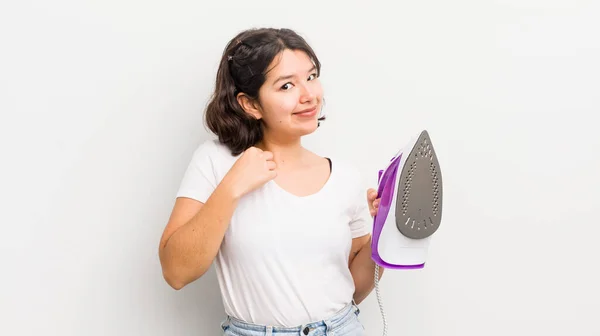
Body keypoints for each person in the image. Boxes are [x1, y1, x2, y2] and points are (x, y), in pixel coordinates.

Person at [158, 27, 383, 336]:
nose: (308, 95)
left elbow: (351, 289)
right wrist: (232, 187)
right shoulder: (215, 162)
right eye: (287, 85)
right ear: (250, 104)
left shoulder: (345, 178)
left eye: (311, 76)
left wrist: (387, 232)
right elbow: (176, 272)